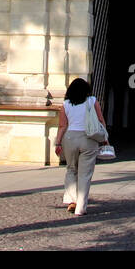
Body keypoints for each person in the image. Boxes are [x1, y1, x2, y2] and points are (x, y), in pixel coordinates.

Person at [55, 78, 107, 217]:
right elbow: (100, 120)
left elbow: (62, 126)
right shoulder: (92, 101)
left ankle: (73, 200)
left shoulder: (65, 104)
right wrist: (105, 138)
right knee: (85, 174)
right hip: (89, 138)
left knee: (71, 169)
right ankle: (81, 207)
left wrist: (58, 143)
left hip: (70, 138)